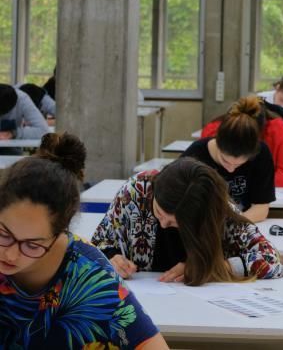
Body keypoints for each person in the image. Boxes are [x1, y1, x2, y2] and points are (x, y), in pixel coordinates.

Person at [0, 132, 168, 349]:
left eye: (32, 245)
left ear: (59, 233)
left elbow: (152, 345)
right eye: (4, 235)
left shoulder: (90, 277)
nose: (10, 254)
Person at [92, 157, 283, 283]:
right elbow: (97, 243)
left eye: (175, 223)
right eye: (158, 212)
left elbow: (270, 259)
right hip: (139, 303)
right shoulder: (136, 191)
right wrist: (110, 257)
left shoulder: (216, 208)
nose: (163, 225)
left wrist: (212, 269)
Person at [181, 96, 276, 222]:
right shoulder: (195, 155)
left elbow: (261, 208)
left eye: (239, 164)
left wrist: (232, 225)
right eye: (225, 161)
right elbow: (175, 200)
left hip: (241, 225)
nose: (231, 170)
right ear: (217, 142)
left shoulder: (261, 154)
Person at [202, 100, 283, 187]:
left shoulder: (276, 130)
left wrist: (243, 182)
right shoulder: (212, 131)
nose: (232, 168)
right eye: (225, 160)